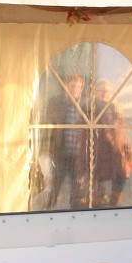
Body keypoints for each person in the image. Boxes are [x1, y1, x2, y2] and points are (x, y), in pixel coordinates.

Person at [43, 73, 89, 210]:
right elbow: (48, 127)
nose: (75, 88)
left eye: (78, 86)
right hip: (60, 152)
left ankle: (75, 212)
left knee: (77, 187)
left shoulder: (86, 104)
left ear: (82, 88)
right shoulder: (56, 103)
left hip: (79, 154)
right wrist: (46, 148)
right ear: (65, 86)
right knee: (55, 184)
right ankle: (47, 210)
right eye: (72, 85)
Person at [92, 79, 132, 208]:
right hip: (100, 156)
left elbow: (121, 135)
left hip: (116, 155)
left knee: (119, 185)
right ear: (95, 93)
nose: (104, 93)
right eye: (101, 90)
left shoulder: (116, 109)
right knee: (97, 195)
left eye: (107, 91)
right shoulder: (91, 110)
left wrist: (128, 150)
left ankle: (114, 208)